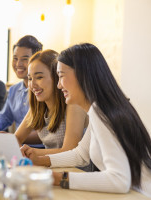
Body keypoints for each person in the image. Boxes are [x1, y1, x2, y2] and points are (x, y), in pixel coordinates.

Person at [47, 43, 151, 197]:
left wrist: (59, 178)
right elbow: (81, 155)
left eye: (61, 76)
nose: (58, 85)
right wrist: (41, 160)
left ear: (83, 74)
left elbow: (119, 179)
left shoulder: (101, 110)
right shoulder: (103, 107)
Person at [16, 49, 88, 167]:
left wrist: (32, 152)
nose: (32, 85)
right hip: (51, 168)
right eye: (29, 78)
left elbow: (70, 150)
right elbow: (17, 138)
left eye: (39, 77)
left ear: (56, 77)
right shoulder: (38, 106)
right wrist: (3, 148)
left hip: (77, 172)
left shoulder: (73, 103)